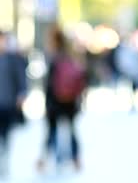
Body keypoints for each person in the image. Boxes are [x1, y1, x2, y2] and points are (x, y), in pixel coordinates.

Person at [37, 26, 85, 171]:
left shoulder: (53, 57)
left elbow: (49, 84)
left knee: (51, 130)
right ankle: (76, 159)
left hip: (55, 102)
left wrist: (46, 104)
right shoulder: (72, 55)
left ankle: (43, 160)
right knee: (71, 130)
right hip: (70, 100)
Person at [0, 31, 27, 177]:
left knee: (6, 134)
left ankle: (4, 159)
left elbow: (20, 78)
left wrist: (22, 94)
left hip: (7, 103)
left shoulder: (12, 59)